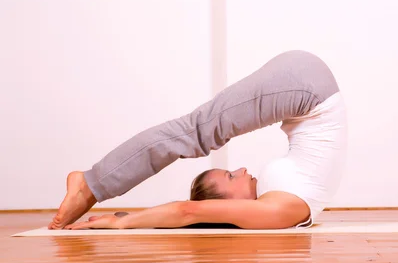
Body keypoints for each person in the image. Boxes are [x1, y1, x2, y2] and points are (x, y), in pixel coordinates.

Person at [48, 50, 347, 230]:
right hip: (307, 90)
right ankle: (91, 183)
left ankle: (90, 184)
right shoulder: (283, 210)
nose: (242, 170)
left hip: (306, 89)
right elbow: (191, 212)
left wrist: (124, 220)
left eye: (230, 174)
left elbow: (190, 212)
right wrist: (127, 221)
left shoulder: (280, 208)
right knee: (194, 132)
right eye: (232, 176)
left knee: (193, 133)